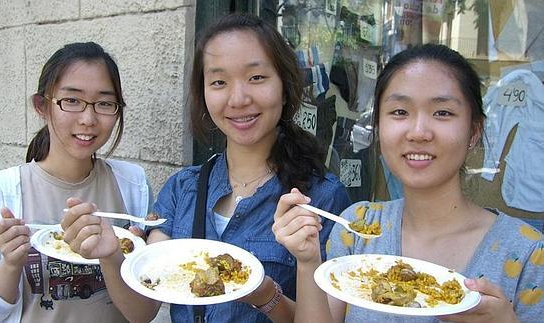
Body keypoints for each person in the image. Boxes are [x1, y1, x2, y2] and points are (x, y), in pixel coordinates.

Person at [60, 13, 351, 323]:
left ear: (284, 85)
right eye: (219, 82)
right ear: (203, 93)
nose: (238, 99)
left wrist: (265, 294)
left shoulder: (321, 199)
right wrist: (110, 254)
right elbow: (142, 310)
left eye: (256, 78)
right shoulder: (181, 189)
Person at [273, 44, 544, 322]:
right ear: (378, 126)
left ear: (474, 131)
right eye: (400, 112)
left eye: (442, 113)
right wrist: (308, 261)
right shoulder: (357, 229)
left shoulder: (527, 254)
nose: (418, 132)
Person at [0, 42, 151, 323]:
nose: (88, 119)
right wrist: (10, 264)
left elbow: (143, 312)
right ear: (42, 106)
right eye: (72, 101)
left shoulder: (133, 184)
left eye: (104, 103)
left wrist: (115, 256)